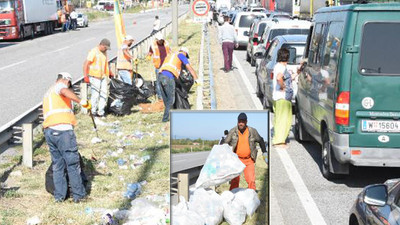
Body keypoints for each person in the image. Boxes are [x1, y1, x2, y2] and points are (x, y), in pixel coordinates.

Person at [42, 72, 91, 203]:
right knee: (72, 164)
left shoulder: (48, 93)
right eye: (70, 83)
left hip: (50, 131)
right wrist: (82, 101)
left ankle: (59, 196)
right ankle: (79, 196)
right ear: (66, 80)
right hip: (63, 131)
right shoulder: (60, 86)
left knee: (58, 165)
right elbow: (64, 90)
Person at [224, 113, 268, 190]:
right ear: (237, 122)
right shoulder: (232, 131)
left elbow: (261, 140)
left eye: (243, 121)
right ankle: (232, 197)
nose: (241, 123)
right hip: (236, 160)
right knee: (234, 181)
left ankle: (252, 198)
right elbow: (225, 143)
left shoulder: (252, 131)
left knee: (251, 180)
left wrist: (264, 152)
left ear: (246, 122)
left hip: (249, 160)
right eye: (239, 121)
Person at [158, 47, 199, 122]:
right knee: (171, 100)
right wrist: (196, 79)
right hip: (168, 77)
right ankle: (165, 119)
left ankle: (168, 117)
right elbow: (189, 68)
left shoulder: (171, 55)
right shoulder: (181, 55)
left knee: (166, 99)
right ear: (185, 53)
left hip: (160, 76)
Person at [272, 48, 298, 147]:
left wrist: (297, 73)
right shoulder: (281, 67)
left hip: (278, 97)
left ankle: (279, 139)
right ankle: (279, 142)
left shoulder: (278, 66)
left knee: (279, 119)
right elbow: (279, 78)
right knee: (283, 120)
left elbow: (287, 78)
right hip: (282, 97)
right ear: (287, 57)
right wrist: (283, 87)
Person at [83, 38, 114, 118]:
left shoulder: (104, 52)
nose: (106, 49)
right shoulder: (93, 52)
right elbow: (86, 64)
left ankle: (101, 112)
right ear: (102, 45)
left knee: (104, 94)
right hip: (94, 77)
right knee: (95, 95)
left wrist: (109, 72)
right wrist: (86, 76)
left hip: (103, 76)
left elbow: (105, 63)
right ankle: (93, 112)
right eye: (105, 48)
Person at [147, 33, 171, 100]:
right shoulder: (153, 45)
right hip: (158, 66)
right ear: (156, 40)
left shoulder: (166, 44)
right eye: (159, 40)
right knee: (159, 82)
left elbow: (170, 51)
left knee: (167, 80)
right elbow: (150, 52)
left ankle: (167, 94)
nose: (161, 41)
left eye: (162, 40)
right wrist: (148, 56)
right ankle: (160, 97)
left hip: (167, 65)